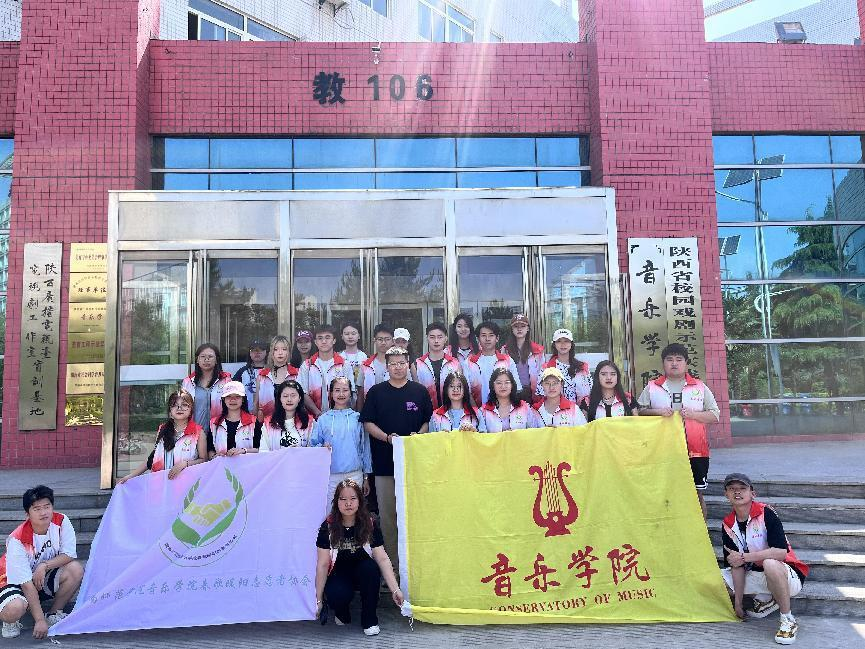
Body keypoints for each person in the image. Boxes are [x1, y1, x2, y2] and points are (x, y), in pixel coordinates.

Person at [360, 346, 433, 578]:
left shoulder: (419, 391)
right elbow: (368, 423)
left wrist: (418, 436)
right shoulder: (376, 392)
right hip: (384, 465)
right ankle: (392, 569)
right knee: (389, 518)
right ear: (387, 366)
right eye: (393, 364)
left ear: (408, 364)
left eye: (402, 363)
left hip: (414, 465)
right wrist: (387, 438)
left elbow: (427, 421)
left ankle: (416, 569)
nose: (398, 367)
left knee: (415, 515)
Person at [720, 473, 808, 645]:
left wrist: (745, 557)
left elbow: (781, 553)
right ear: (726, 495)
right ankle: (768, 599)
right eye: (732, 489)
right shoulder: (728, 524)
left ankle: (788, 620)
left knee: (770, 564)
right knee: (715, 580)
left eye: (742, 488)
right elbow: (736, 565)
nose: (737, 492)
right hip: (757, 575)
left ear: (753, 494)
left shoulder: (766, 513)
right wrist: (738, 604)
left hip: (787, 575)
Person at [638, 343, 720, 519]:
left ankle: (700, 531)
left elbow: (715, 415)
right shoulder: (652, 387)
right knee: (664, 493)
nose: (674, 363)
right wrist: (657, 412)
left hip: (695, 450)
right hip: (661, 449)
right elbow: (639, 412)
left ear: (686, 363)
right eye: (669, 359)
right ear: (663, 363)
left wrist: (694, 415)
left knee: (696, 494)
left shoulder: (699, 387)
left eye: (678, 359)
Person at [315, 480, 403, 636]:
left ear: (360, 500)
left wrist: (395, 589)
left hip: (363, 571)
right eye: (343, 499)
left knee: (370, 569)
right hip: (339, 573)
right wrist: (318, 599)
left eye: (353, 498)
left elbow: (382, 558)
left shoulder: (370, 523)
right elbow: (322, 564)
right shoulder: (327, 526)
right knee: (336, 594)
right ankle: (342, 612)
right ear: (336, 502)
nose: (348, 503)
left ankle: (369, 619)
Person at [0, 486, 84, 640]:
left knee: (75, 569)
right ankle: (10, 621)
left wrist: (44, 565)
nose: (43, 512)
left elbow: (69, 554)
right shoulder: (17, 540)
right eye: (37, 509)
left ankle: (53, 614)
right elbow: (26, 584)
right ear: (27, 514)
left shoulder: (61, 521)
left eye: (47, 506)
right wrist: (39, 621)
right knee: (15, 608)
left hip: (39, 577)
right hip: (11, 582)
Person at [117, 390, 207, 483]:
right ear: (170, 411)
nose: (179, 408)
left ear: (191, 410)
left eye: (184, 405)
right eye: (174, 405)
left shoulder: (198, 432)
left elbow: (204, 460)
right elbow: (152, 459)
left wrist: (185, 464)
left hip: (186, 484)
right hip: (161, 484)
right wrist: (130, 476)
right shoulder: (162, 430)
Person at [311, 377, 372, 511]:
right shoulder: (323, 419)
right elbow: (313, 445)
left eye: (345, 390)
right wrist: (322, 448)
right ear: (331, 393)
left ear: (350, 392)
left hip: (355, 474)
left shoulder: (357, 418)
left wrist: (366, 476)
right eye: (337, 390)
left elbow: (364, 447)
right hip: (330, 475)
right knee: (331, 512)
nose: (341, 394)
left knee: (355, 512)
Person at [299, 325, 355, 418]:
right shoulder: (307, 365)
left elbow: (350, 392)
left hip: (339, 417)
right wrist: (317, 413)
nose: (324, 341)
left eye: (327, 337)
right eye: (320, 338)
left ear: (334, 340)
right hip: (313, 418)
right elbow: (302, 392)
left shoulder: (344, 364)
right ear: (315, 342)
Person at [467, 321, 522, 406]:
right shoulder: (469, 362)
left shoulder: (507, 361)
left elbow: (516, 388)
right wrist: (477, 412)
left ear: (497, 338)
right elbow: (467, 392)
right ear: (478, 339)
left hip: (503, 410)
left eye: (491, 335)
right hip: (478, 410)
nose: (487, 339)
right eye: (483, 335)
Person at [181, 343, 232, 431]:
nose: (206, 359)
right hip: (195, 432)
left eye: (210, 356)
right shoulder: (188, 382)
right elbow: (182, 407)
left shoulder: (226, 381)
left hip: (220, 431)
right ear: (197, 360)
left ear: (216, 360)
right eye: (203, 356)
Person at [256, 380, 317, 451]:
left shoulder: (310, 422)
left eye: (293, 396)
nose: (289, 399)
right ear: (280, 399)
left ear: (299, 398)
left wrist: (298, 452)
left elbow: (314, 451)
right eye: (285, 396)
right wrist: (284, 453)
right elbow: (263, 451)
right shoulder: (268, 423)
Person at [413, 322, 462, 411]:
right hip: (425, 412)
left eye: (440, 337)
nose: (436, 341)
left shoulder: (454, 363)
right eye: (432, 337)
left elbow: (460, 389)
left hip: (450, 412)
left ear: (445, 338)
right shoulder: (418, 364)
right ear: (427, 338)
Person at [537, 328, 593, 405]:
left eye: (566, 341)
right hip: (555, 410)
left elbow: (589, 395)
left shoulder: (582, 367)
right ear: (554, 344)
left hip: (580, 410)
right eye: (559, 341)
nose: (563, 344)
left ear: (571, 344)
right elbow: (541, 396)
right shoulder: (546, 368)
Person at [479, 368, 543, 433]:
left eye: (507, 382)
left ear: (512, 385)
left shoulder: (524, 407)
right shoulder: (483, 411)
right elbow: (481, 436)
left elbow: (534, 432)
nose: (503, 386)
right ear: (493, 386)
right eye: (499, 383)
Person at [501, 314, 545, 402]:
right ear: (512, 329)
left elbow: (542, 373)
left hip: (531, 392)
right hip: (511, 391)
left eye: (523, 326)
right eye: (516, 326)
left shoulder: (538, 350)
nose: (519, 329)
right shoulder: (505, 350)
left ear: (528, 328)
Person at [208, 381, 257, 458]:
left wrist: (243, 450)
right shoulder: (214, 423)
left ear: (243, 399)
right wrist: (215, 456)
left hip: (248, 465)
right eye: (228, 396)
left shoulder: (253, 421)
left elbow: (260, 449)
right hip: (222, 465)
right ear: (224, 399)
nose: (233, 400)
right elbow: (210, 449)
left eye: (237, 396)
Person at [254, 335, 297, 422]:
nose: (280, 353)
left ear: (289, 352)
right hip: (266, 424)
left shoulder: (296, 374)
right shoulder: (262, 375)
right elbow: (256, 403)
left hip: (291, 422)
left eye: (284, 349)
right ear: (271, 352)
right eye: (276, 349)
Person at [358, 324, 393, 412]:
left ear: (393, 341)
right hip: (371, 412)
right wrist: (360, 414)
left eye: (387, 339)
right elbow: (361, 393)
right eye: (380, 339)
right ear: (374, 340)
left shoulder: (401, 364)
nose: (383, 342)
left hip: (394, 410)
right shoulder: (366, 365)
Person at [232, 339, 268, 409]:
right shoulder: (242, 372)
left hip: (269, 413)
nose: (257, 352)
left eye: (260, 349)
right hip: (246, 413)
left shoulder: (272, 371)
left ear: (266, 352)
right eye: (254, 350)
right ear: (250, 353)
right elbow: (233, 393)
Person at [338, 322, 368, 390]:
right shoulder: (338, 356)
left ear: (359, 336)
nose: (350, 337)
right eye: (346, 334)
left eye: (353, 333)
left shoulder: (364, 357)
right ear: (342, 336)